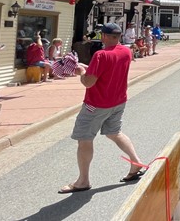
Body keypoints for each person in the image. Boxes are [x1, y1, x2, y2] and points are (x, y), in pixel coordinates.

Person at [58, 23, 145, 194]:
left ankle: (83, 181)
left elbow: (89, 82)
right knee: (115, 133)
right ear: (119, 36)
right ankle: (136, 163)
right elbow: (108, 70)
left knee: (84, 139)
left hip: (96, 104)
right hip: (118, 101)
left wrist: (81, 73)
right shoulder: (126, 51)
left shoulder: (100, 55)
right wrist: (87, 67)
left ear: (104, 36)